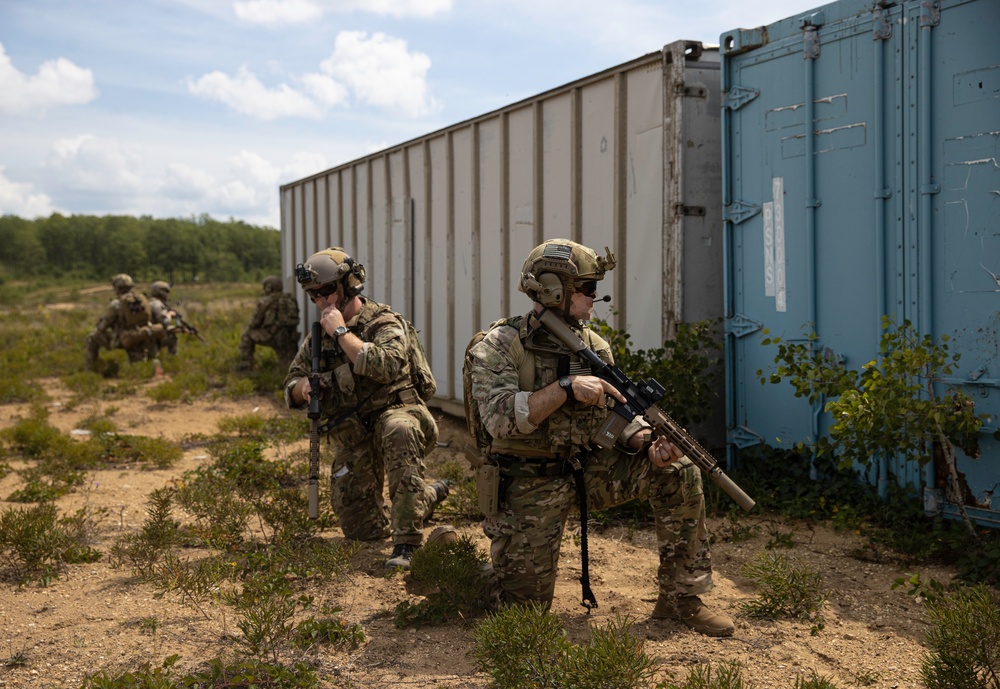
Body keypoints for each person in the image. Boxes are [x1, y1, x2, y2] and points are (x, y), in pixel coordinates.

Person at [466, 238, 735, 637]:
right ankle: (457, 564)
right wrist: (566, 387)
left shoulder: (594, 346)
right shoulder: (502, 345)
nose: (595, 300)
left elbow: (612, 417)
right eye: (588, 290)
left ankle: (681, 598)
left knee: (678, 471)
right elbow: (499, 420)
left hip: (581, 473)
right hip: (526, 484)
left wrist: (645, 441)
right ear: (554, 289)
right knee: (520, 614)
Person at [283, 248, 449, 570]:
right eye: (313, 295)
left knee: (397, 429)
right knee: (363, 531)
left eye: (327, 291)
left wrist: (341, 333)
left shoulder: (384, 322)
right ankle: (423, 499)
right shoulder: (316, 337)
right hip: (356, 434)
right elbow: (292, 380)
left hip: (402, 417)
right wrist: (303, 388)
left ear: (350, 284)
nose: (321, 301)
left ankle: (407, 543)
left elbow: (385, 365)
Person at [85, 273, 164, 371]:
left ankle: (90, 369)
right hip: (142, 339)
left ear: (117, 288)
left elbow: (102, 327)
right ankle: (154, 362)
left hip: (124, 340)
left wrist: (100, 328)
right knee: (139, 368)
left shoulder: (116, 304)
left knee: (92, 338)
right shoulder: (142, 300)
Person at [238, 275, 301, 371]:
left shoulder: (266, 301)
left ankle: (246, 365)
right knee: (288, 366)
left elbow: (254, 322)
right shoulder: (290, 298)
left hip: (273, 336)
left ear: (269, 288)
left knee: (247, 335)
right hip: (291, 337)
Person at [148, 280, 179, 357]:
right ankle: (172, 358)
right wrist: (170, 314)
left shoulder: (150, 302)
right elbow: (164, 321)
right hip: (153, 335)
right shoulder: (157, 304)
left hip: (148, 332)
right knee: (172, 335)